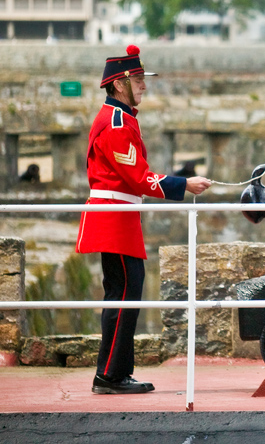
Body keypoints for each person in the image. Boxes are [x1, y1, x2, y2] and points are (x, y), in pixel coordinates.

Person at [75, 45, 212, 395]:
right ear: (119, 84)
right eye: (138, 79)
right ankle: (109, 374)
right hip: (114, 218)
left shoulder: (120, 118)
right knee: (124, 293)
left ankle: (115, 372)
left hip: (120, 215)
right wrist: (184, 184)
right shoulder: (117, 123)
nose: (144, 86)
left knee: (126, 292)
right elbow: (138, 177)